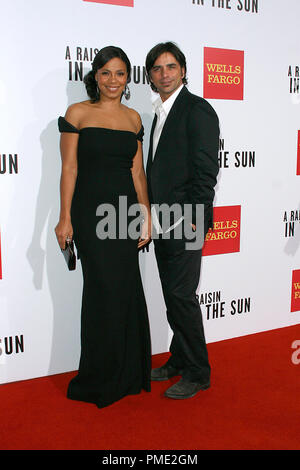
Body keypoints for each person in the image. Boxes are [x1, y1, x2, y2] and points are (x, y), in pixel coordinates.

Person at [55, 46, 152, 409]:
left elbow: (137, 172)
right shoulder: (77, 113)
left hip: (124, 213)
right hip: (90, 212)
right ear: (95, 76)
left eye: (120, 73)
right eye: (106, 73)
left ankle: (127, 372)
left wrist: (146, 214)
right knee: (102, 290)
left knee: (125, 288)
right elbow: (69, 169)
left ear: (129, 79)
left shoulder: (134, 119)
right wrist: (65, 217)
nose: (113, 80)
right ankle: (100, 375)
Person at [145, 42, 219, 399]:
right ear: (151, 76)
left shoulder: (197, 110)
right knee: (173, 295)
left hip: (186, 220)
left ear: (184, 71)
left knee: (180, 294)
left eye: (171, 67)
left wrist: (197, 215)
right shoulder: (159, 111)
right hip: (162, 221)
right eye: (157, 69)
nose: (164, 74)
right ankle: (178, 358)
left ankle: (197, 371)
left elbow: (206, 171)